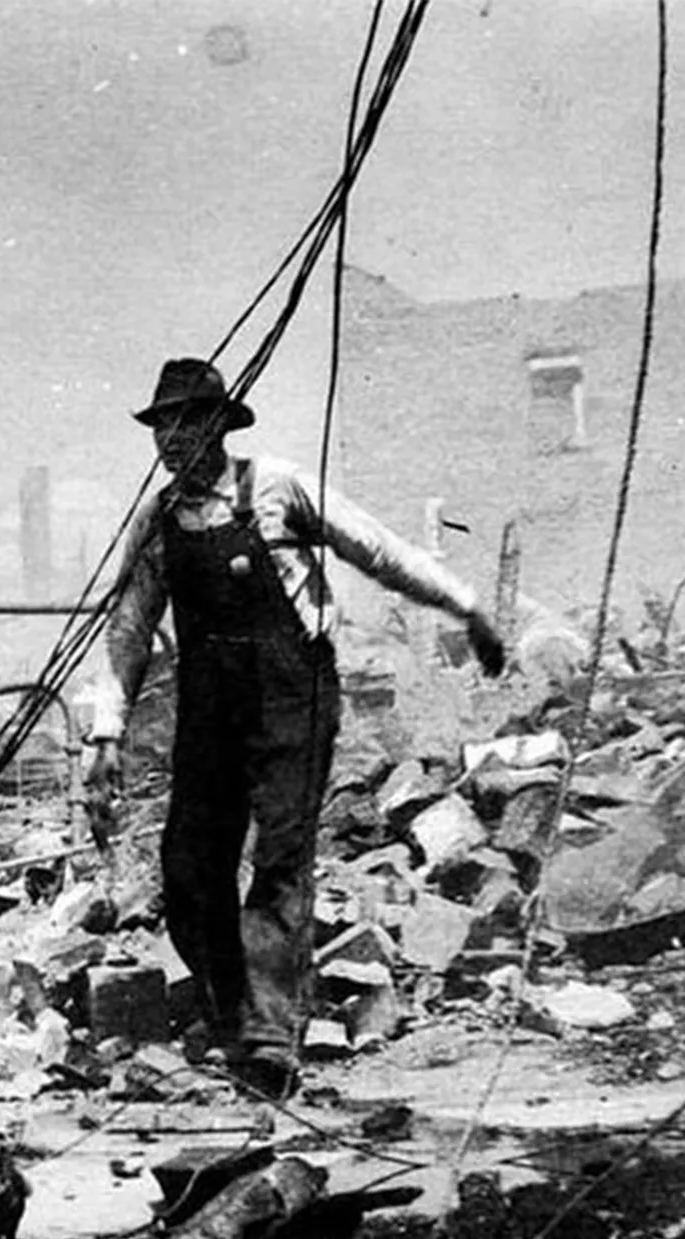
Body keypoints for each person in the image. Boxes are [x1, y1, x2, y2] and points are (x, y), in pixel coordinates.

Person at [84, 357, 507, 1102]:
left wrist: (464, 605)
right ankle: (232, 1013)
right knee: (189, 869)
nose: (171, 440)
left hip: (292, 697)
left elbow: (376, 549)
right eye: (162, 426)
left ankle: (269, 1041)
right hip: (210, 707)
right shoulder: (156, 522)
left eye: (187, 423)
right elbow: (128, 628)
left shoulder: (277, 488)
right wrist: (105, 734)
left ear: (220, 426)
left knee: (281, 860)